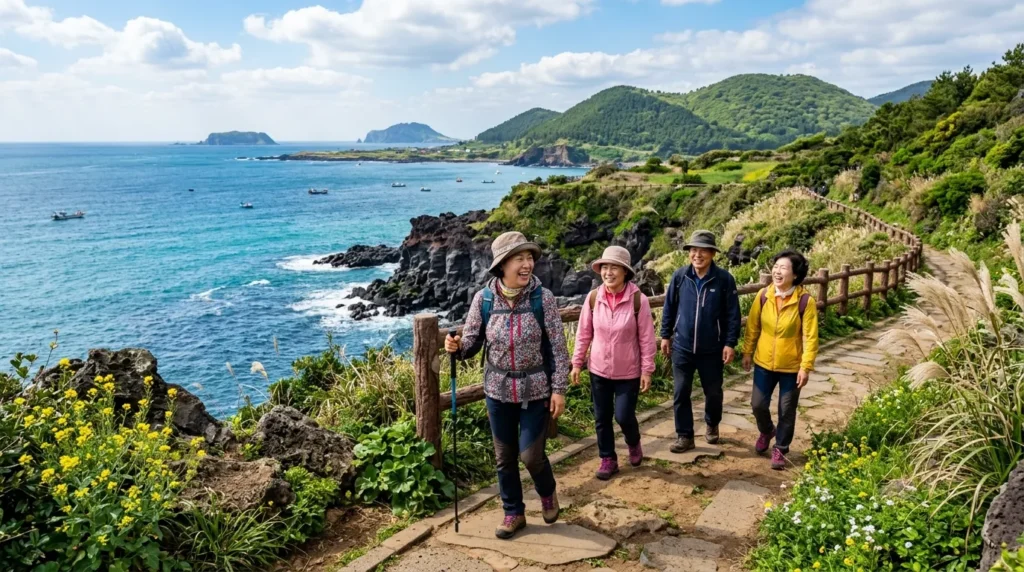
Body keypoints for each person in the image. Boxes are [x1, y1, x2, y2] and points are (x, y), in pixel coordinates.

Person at [445, 231, 570, 539]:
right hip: (497, 391)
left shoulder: (544, 299)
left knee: (530, 456)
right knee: (504, 457)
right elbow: (471, 342)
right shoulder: (484, 299)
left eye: (530, 258)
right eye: (520, 259)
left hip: (536, 389)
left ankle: (547, 492)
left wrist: (559, 389)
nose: (527, 264)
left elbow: (557, 348)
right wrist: (456, 347)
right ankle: (513, 512)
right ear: (502, 265)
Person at [571, 246, 657, 480]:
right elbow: (583, 333)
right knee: (601, 417)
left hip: (628, 371)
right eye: (605, 267)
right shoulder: (593, 298)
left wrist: (647, 370)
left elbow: (647, 339)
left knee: (623, 416)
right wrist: (577, 362)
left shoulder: (638, 300)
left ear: (625, 272)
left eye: (614, 267)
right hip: (598, 369)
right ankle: (608, 458)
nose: (608, 272)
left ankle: (633, 442)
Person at [660, 230, 741, 453]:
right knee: (680, 391)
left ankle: (712, 423)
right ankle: (684, 435)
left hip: (712, 349)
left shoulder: (724, 279)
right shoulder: (679, 276)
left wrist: (730, 343)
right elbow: (669, 308)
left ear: (712, 253)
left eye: (703, 251)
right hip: (682, 347)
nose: (697, 255)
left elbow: (733, 314)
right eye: (694, 250)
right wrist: (665, 335)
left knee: (713, 392)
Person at [742, 250, 819, 470]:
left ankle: (781, 448)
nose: (777, 271)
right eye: (776, 266)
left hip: (792, 367)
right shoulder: (764, 296)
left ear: (795, 275)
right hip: (764, 363)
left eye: (783, 268)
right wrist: (747, 352)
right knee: (758, 405)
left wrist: (806, 367)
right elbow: (753, 326)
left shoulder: (805, 301)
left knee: (786, 410)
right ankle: (767, 430)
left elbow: (810, 337)